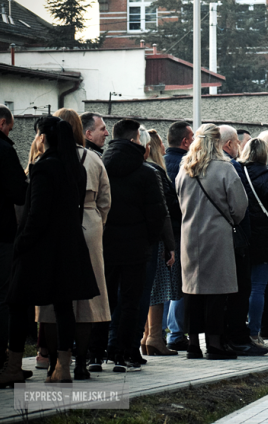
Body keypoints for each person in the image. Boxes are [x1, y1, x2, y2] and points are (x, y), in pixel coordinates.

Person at [0, 116, 99, 386]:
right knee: (64, 306)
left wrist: (21, 243)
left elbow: (37, 214)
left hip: (40, 250)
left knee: (18, 304)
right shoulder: (74, 168)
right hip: (69, 248)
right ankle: (62, 368)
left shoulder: (43, 169)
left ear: (43, 137)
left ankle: (13, 367)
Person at [35, 109, 111, 381]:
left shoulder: (44, 157)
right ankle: (81, 361)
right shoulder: (92, 158)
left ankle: (57, 361)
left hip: (53, 227)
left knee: (52, 300)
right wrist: (95, 223)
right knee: (86, 302)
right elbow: (105, 200)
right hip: (88, 223)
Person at [93, 120, 167, 373]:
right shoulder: (147, 172)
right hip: (136, 247)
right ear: (136, 138)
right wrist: (149, 240)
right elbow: (157, 213)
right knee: (131, 301)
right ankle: (123, 353)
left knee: (104, 299)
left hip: (105, 243)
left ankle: (95, 352)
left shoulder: (100, 165)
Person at [176, 123, 249, 360]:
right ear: (218, 142)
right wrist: (229, 219)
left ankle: (193, 344)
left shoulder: (184, 168)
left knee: (192, 291)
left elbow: (179, 202)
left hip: (189, 236)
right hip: (217, 235)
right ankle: (215, 344)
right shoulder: (225, 169)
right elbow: (240, 206)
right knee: (217, 292)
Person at [219, 125, 262, 356]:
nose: (239, 147)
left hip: (208, 239)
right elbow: (240, 206)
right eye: (237, 142)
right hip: (234, 238)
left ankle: (221, 338)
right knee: (239, 290)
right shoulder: (231, 167)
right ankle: (238, 338)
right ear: (228, 145)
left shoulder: (195, 166)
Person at [239, 138, 268, 353]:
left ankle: (238, 330)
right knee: (258, 288)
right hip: (265, 240)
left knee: (241, 288)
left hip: (241, 238)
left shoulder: (237, 174)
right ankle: (254, 332)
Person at [140, 129, 181, 357]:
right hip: (160, 237)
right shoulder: (156, 172)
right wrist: (170, 243)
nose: (165, 149)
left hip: (145, 237)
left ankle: (148, 336)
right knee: (158, 289)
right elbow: (165, 211)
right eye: (161, 146)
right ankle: (155, 336)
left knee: (151, 288)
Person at [0, 105, 28, 371]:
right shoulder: (3, 150)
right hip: (0, 233)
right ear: (1, 124)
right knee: (0, 297)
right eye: (10, 128)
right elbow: (19, 192)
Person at [163, 120, 194, 352]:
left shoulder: (160, 163)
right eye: (192, 139)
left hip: (163, 231)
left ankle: (157, 332)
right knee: (181, 284)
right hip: (181, 230)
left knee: (163, 284)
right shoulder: (187, 166)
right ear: (185, 142)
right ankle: (175, 333)